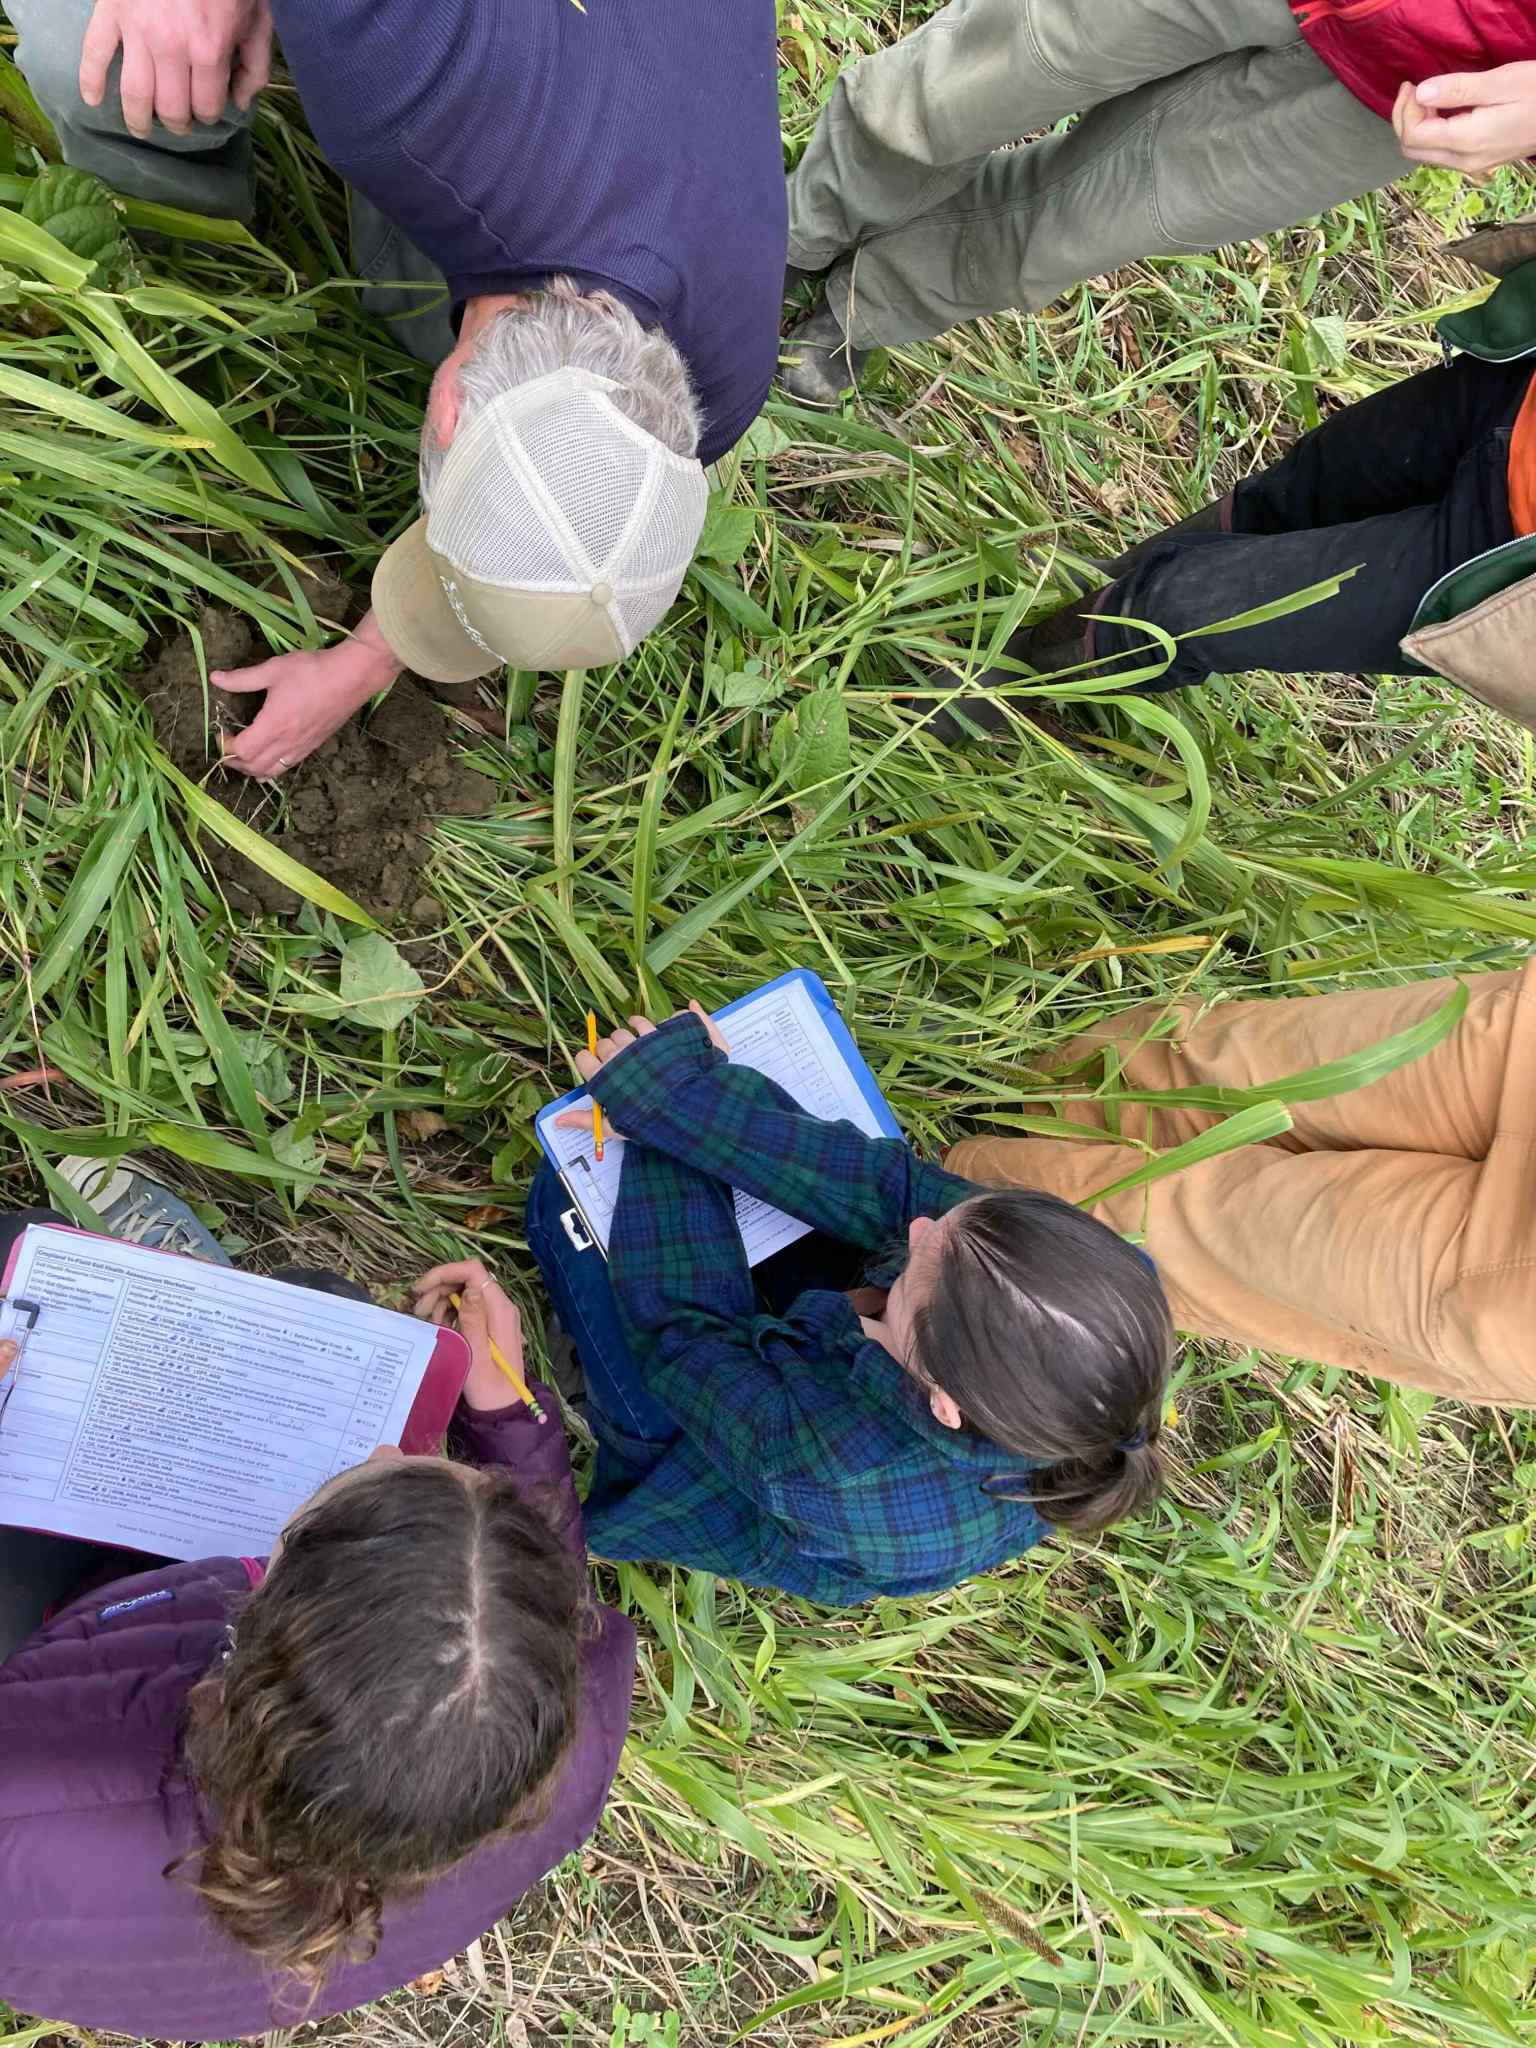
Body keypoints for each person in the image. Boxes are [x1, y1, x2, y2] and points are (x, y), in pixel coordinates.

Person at [8, 0, 787, 777]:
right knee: (104, 53)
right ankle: (155, 261)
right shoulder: (400, 75)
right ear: (446, 410)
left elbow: (550, 493)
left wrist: (364, 661)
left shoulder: (724, 387)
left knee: (408, 309)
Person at [0, 1203, 635, 2042]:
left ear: (263, 1617)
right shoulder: (565, 1736)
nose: (382, 1453)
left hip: (63, 1663)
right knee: (319, 1303)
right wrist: (508, 1422)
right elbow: (528, 1607)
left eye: (369, 1482)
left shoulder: (24, 1807)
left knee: (19, 1252)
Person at [527, 1004, 1173, 1608]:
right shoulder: (1092, 1288)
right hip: (856, 1396)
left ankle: (597, 1387)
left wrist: (654, 1134)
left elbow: (685, 1333)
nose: (920, 1231)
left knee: (565, 1202)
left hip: (726, 1464)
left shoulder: (832, 1468)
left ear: (943, 1400)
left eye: (921, 1264)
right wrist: (683, 1099)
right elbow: (899, 1192)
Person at [926, 225, 1536, 738]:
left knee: (1185, 612)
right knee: (1296, 494)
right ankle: (1093, 596)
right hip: (1514, 394)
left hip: (1507, 562)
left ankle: (1013, 680)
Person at [781, 0, 1536, 403]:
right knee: (987, 75)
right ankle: (788, 232)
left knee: (1094, 221)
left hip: (1439, 73)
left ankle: (870, 309)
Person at [946, 964, 1536, 1407]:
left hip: (1514, 1278)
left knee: (1167, 1227)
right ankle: (995, 1077)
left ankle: (926, 1189)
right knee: (1206, 1066)